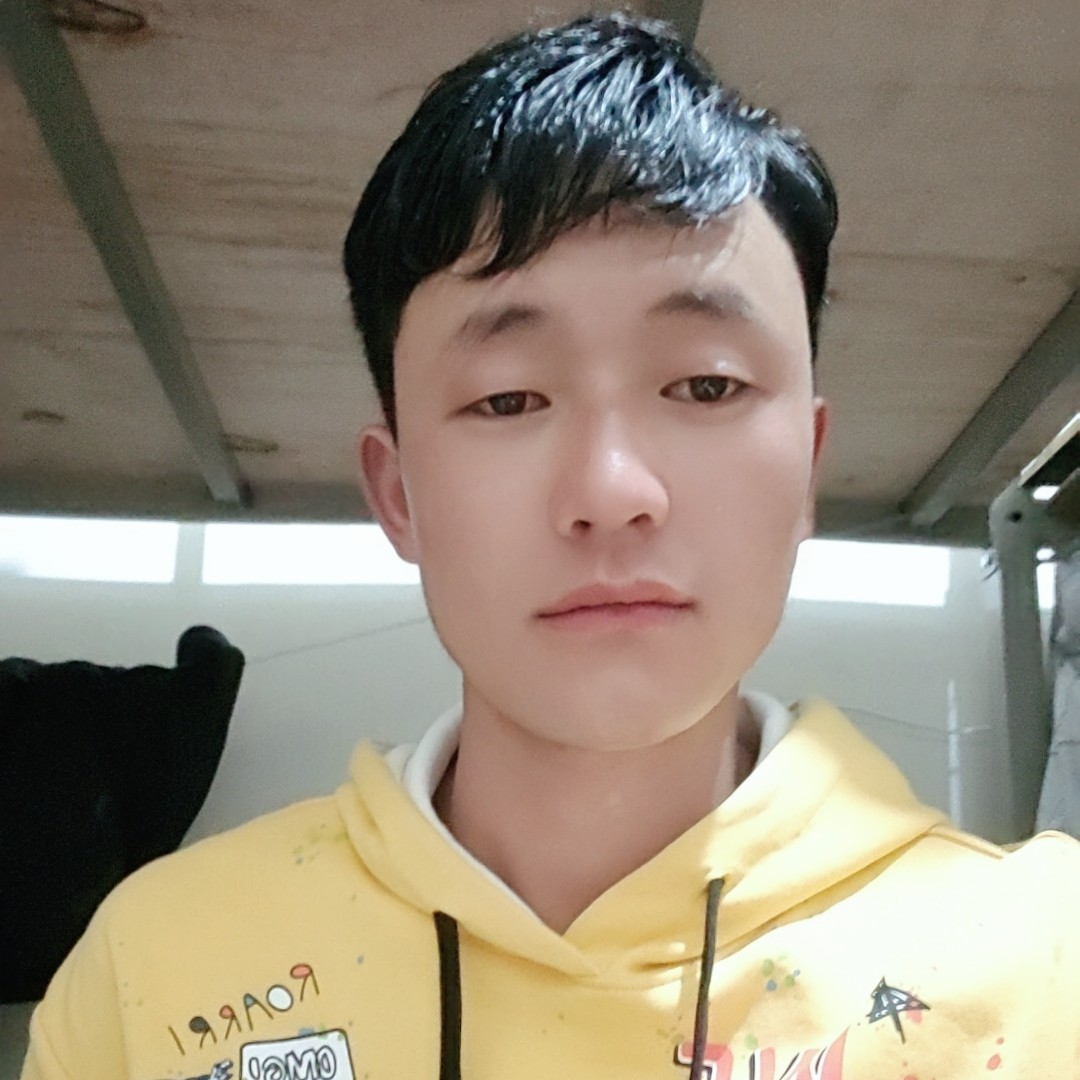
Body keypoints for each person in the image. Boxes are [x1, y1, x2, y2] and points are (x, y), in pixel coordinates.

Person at [20, 13, 1080, 1080]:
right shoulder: (155, 976)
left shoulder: (1041, 969)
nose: (612, 492)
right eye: (507, 399)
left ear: (806, 466)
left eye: (705, 384)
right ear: (397, 494)